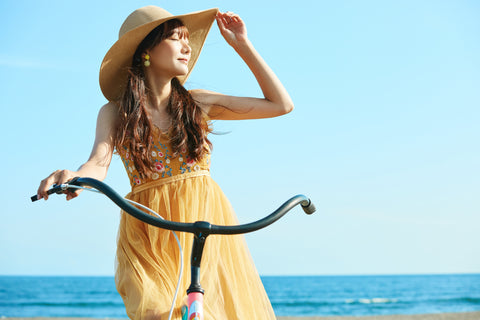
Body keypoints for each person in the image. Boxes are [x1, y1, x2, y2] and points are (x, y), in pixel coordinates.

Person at [37, 5, 293, 319]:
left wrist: (242, 45)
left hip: (201, 218)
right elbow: (98, 164)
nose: (187, 47)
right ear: (146, 50)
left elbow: (281, 104)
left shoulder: (197, 102)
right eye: (175, 38)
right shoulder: (115, 112)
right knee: (154, 312)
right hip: (147, 226)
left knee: (208, 310)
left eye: (187, 39)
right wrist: (74, 175)